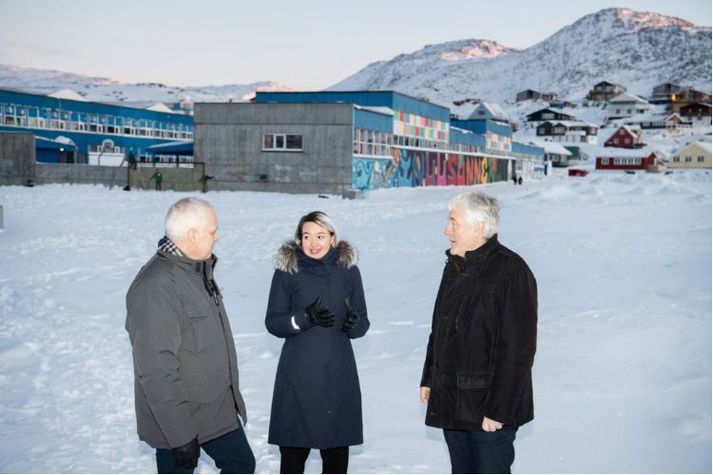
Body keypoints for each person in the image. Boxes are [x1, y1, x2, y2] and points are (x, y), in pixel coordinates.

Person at [125, 197, 255, 474]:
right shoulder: (156, 286)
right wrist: (180, 435)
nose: (217, 237)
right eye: (213, 230)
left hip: (215, 408)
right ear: (193, 235)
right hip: (178, 417)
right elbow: (156, 369)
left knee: (241, 465)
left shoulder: (196, 270)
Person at [420, 191, 537, 474]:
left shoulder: (511, 271)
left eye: (453, 222)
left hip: (489, 409)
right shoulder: (456, 266)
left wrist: (499, 409)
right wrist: (430, 378)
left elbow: (517, 351)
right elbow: (440, 329)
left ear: (479, 227)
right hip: (452, 400)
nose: (446, 230)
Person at [265, 211, 369, 474]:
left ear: (332, 237)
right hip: (298, 376)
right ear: (299, 240)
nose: (314, 243)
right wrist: (303, 318)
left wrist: (353, 324)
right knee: (292, 458)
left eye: (320, 236)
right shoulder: (288, 272)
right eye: (307, 236)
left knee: (335, 458)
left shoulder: (349, 271)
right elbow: (273, 322)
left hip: (338, 373)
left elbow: (362, 324)